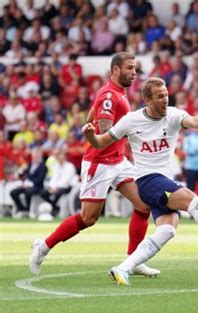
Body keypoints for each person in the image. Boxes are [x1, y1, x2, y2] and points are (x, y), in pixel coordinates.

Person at [83, 77, 198, 285]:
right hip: (147, 181)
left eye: (166, 95)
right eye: (160, 97)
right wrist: (91, 136)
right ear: (147, 100)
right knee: (193, 202)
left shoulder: (173, 115)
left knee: (168, 229)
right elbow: (102, 142)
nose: (165, 99)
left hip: (164, 180)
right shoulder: (131, 120)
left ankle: (123, 268)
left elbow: (194, 122)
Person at [29, 52, 158, 277]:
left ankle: (133, 260)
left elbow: (92, 117)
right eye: (129, 68)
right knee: (88, 218)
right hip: (99, 163)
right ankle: (43, 246)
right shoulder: (110, 95)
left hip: (118, 161)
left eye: (135, 68)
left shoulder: (115, 93)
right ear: (116, 70)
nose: (134, 72)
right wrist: (134, 129)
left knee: (143, 205)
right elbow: (106, 129)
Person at [38, 150, 77, 217]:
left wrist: (57, 187)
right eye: (59, 157)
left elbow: (66, 180)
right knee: (42, 193)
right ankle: (55, 207)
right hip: (56, 187)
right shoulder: (55, 166)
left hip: (67, 187)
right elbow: (53, 178)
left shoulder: (70, 166)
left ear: (65, 158)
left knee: (58, 193)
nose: (61, 159)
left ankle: (54, 208)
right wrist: (52, 187)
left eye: (62, 157)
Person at [10, 148, 47, 215]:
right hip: (26, 185)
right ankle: (22, 209)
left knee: (28, 192)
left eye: (36, 156)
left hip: (37, 187)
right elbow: (25, 175)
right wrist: (21, 171)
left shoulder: (43, 166)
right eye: (33, 156)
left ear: (40, 156)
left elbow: (40, 179)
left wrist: (29, 184)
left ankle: (28, 209)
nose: (34, 157)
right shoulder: (30, 164)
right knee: (13, 192)